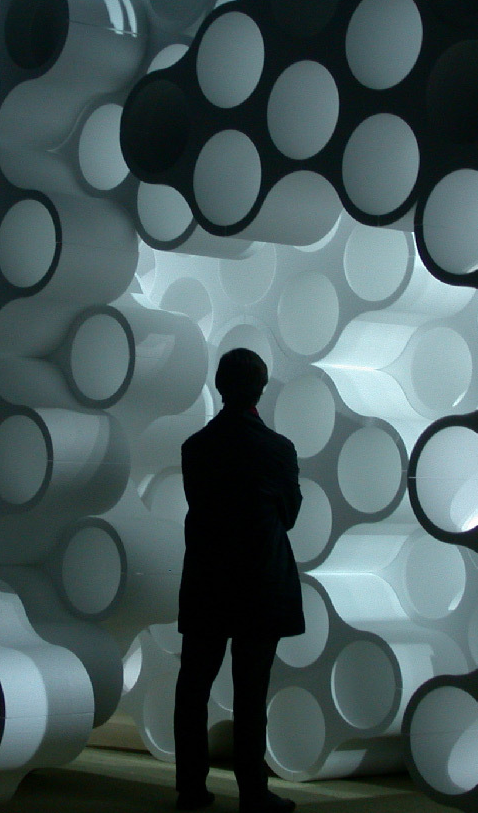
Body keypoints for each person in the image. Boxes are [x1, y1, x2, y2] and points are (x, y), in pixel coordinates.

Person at [174, 348, 303, 813]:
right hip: (259, 584)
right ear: (260, 390)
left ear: (219, 385)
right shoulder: (277, 449)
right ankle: (253, 791)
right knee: (251, 692)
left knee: (193, 687)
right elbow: (289, 515)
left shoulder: (195, 447)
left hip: (207, 581)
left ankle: (191, 788)